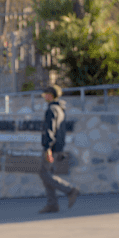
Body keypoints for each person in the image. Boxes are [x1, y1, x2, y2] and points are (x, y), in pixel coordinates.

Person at [38, 84, 81, 213]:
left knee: (44, 173)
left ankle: (70, 190)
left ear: (51, 95)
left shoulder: (51, 110)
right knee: (47, 174)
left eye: (46, 94)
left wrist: (47, 148)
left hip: (52, 147)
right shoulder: (60, 109)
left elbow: (50, 130)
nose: (44, 96)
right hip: (58, 147)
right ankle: (52, 204)